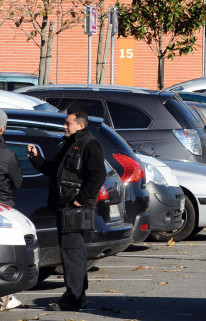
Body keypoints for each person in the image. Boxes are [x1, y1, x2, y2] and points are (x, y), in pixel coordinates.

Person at [27, 109, 106, 312]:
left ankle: (74, 298)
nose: (64, 126)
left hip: (75, 207)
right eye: (65, 123)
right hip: (65, 206)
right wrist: (37, 159)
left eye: (68, 123)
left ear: (80, 125)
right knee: (72, 253)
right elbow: (56, 171)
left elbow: (98, 175)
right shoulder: (70, 144)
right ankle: (78, 295)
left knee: (72, 253)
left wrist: (82, 198)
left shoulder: (89, 144)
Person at [0, 110, 23, 312]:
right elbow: (17, 181)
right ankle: (4, 299)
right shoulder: (7, 154)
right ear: (2, 128)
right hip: (3, 207)